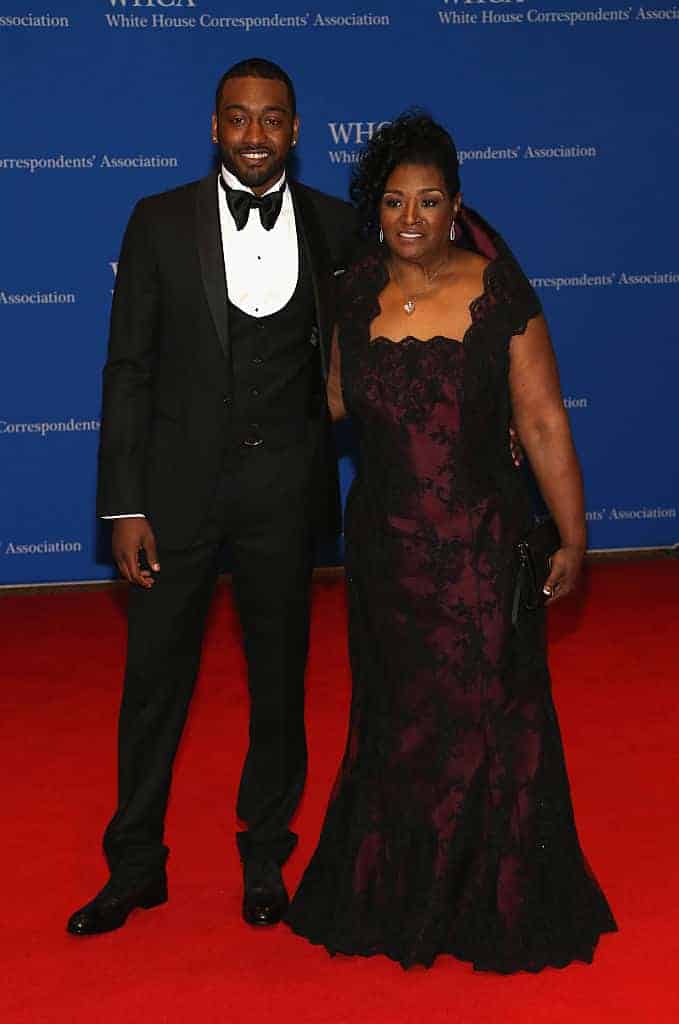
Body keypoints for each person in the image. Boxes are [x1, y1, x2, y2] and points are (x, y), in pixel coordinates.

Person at [286, 113, 617, 971]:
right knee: (397, 722)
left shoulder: (496, 292)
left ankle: (489, 899)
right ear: (376, 209)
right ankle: (397, 891)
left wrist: (572, 537)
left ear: (455, 206)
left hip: (480, 550)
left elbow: (541, 419)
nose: (409, 217)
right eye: (394, 200)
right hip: (386, 556)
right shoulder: (349, 295)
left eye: (428, 201)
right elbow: (324, 403)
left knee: (484, 723)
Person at [67, 58, 357, 936]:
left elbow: (376, 356)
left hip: (284, 494)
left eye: (272, 119)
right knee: (154, 685)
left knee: (278, 684)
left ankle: (265, 855)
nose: (255, 135)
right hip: (174, 498)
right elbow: (128, 370)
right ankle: (134, 866)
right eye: (238, 118)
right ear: (214, 127)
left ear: (296, 131)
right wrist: (123, 504)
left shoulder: (339, 228)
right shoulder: (157, 222)